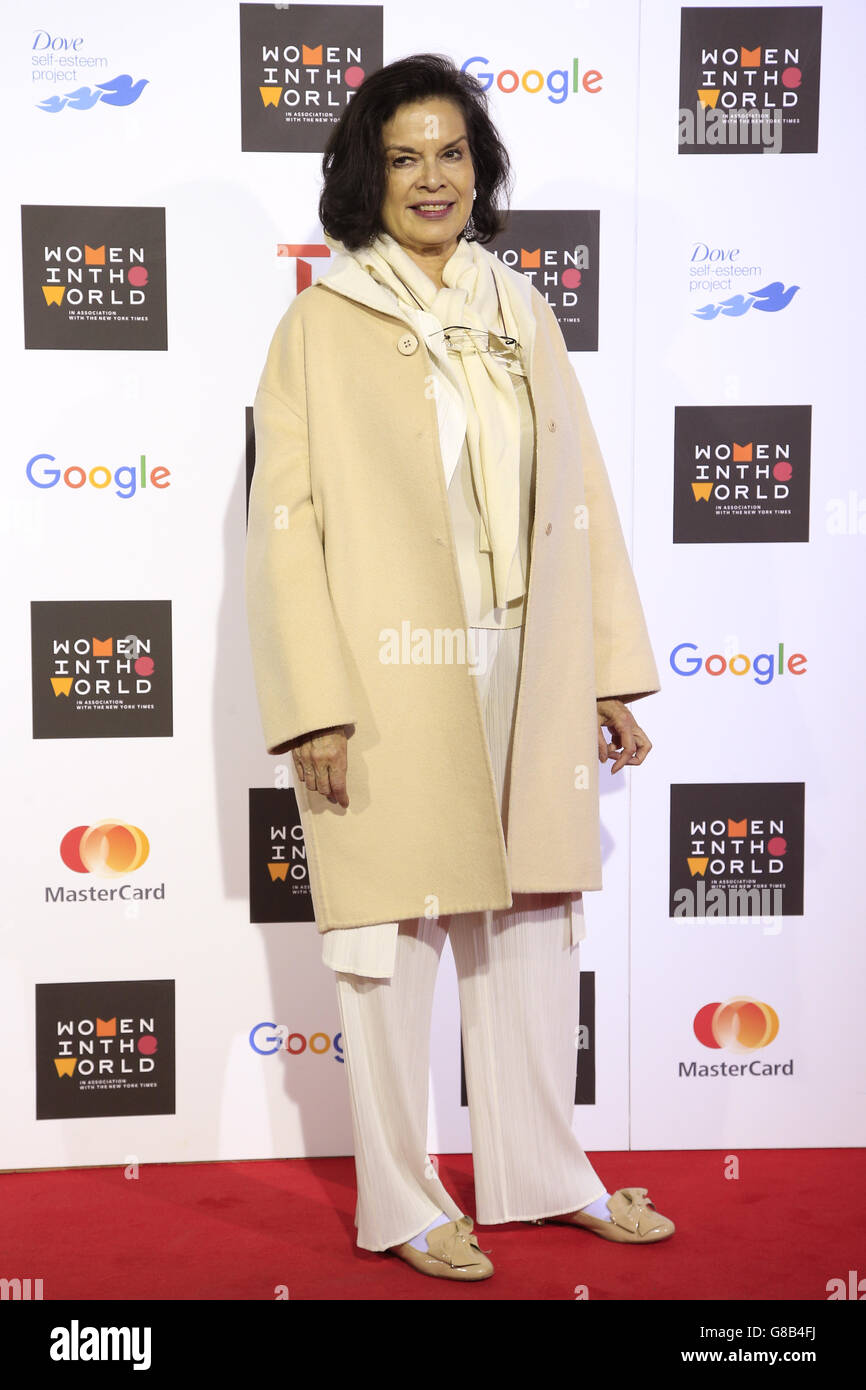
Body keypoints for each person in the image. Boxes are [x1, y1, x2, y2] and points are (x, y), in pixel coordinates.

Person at [245, 54, 674, 1282]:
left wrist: (599, 670)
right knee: (386, 935)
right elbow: (284, 525)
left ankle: (545, 1172)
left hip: (519, 661)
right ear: (363, 178)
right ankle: (403, 1197)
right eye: (402, 157)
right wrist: (312, 702)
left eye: (449, 153)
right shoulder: (319, 324)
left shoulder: (517, 305)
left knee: (532, 921)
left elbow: (576, 491)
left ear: (476, 167)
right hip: (383, 675)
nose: (431, 177)